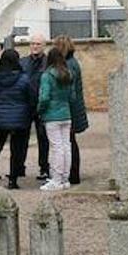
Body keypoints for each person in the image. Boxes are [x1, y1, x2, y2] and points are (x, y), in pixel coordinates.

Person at [0, 49, 35, 188]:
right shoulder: (23, 78)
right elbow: (32, 98)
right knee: (17, 151)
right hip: (20, 119)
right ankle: (13, 180)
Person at [53, 34, 89, 184]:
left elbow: (69, 90)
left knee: (68, 142)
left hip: (69, 108)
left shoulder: (68, 65)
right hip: (74, 107)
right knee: (69, 141)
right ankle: (72, 173)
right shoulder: (72, 62)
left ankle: (72, 174)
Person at [38, 45, 76, 191]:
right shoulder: (69, 74)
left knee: (56, 147)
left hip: (52, 115)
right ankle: (65, 178)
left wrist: (40, 110)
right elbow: (72, 97)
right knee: (66, 146)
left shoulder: (47, 76)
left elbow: (45, 97)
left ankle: (56, 179)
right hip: (66, 114)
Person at [21, 34, 51, 180]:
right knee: (21, 138)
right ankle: (19, 166)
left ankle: (44, 167)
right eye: (33, 43)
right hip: (25, 105)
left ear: (44, 45)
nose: (35, 46)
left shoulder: (49, 62)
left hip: (42, 105)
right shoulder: (23, 62)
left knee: (43, 138)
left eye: (38, 44)